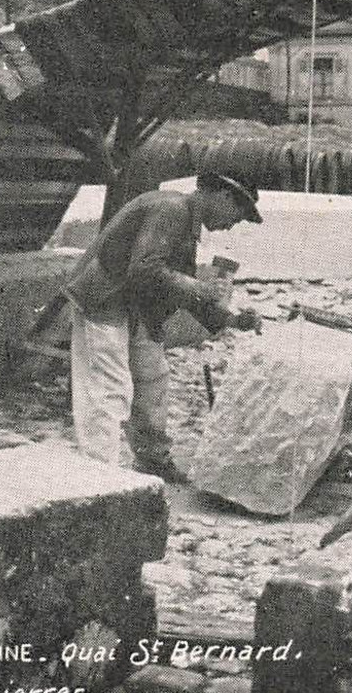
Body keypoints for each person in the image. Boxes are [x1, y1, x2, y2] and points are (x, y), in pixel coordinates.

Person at [63, 172, 264, 478]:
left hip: (135, 306)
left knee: (152, 377)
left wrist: (233, 320)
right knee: (109, 388)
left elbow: (178, 290)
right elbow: (145, 268)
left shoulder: (186, 221)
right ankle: (99, 476)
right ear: (223, 197)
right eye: (238, 214)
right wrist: (196, 286)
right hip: (105, 300)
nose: (233, 224)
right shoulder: (171, 209)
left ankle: (151, 462)